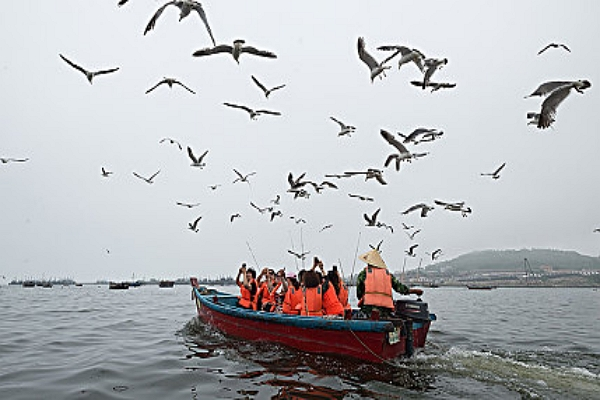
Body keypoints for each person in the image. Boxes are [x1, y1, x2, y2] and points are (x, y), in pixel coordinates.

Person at [356, 249, 423, 319]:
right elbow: (401, 289)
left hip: (368, 311)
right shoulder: (388, 274)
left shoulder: (363, 274)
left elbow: (359, 294)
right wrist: (414, 291)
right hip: (385, 311)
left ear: (368, 262)